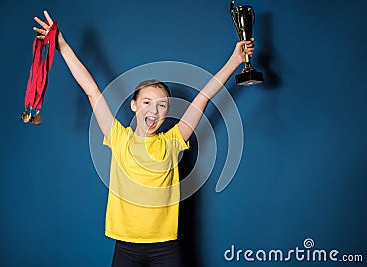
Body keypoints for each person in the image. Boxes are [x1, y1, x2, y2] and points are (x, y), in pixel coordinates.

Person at [33, 10, 255, 267]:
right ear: (134, 106)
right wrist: (61, 44)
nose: (154, 110)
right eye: (147, 102)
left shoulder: (173, 141)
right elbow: (92, 90)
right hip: (126, 248)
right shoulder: (118, 138)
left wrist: (235, 60)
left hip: (167, 249)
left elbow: (203, 98)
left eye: (162, 105)